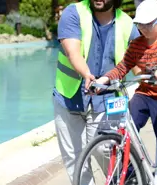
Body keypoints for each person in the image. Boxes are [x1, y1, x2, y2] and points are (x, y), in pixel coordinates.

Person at [93, 0, 157, 184]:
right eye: (140, 24)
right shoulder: (136, 44)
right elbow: (122, 67)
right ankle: (133, 175)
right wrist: (104, 80)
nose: (143, 28)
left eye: (148, 24)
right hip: (146, 94)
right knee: (122, 133)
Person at [53, 0, 140, 183]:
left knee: (107, 151)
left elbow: (139, 64)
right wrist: (86, 73)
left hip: (108, 101)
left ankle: (132, 179)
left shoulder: (126, 24)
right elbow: (72, 51)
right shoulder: (74, 12)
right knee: (75, 161)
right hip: (69, 97)